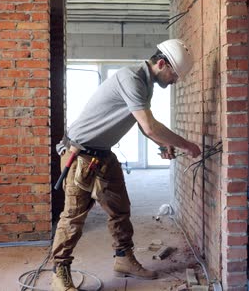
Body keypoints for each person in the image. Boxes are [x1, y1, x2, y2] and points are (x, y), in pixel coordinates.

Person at [51, 39, 202, 291]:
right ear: (161, 63)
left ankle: (124, 259)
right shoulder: (130, 78)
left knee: (120, 210)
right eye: (174, 74)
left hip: (102, 154)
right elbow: (150, 126)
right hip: (79, 154)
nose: (175, 80)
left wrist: (163, 145)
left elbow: (142, 122)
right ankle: (60, 270)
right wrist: (187, 145)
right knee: (74, 217)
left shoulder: (146, 83)